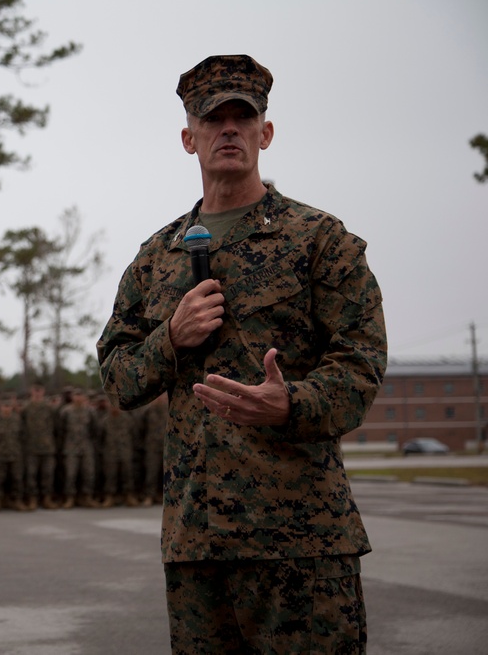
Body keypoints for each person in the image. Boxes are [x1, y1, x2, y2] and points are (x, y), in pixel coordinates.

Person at [96, 54, 386, 653]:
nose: (228, 129)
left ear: (265, 134)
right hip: (197, 544)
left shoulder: (318, 241)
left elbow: (361, 365)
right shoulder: (156, 258)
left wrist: (291, 404)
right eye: (212, 119)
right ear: (188, 139)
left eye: (242, 117)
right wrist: (169, 338)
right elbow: (118, 378)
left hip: (299, 542)